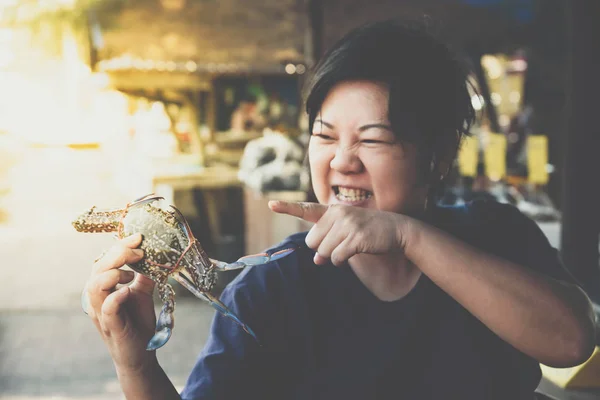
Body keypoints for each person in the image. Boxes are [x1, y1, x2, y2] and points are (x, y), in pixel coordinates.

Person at [83, 20, 596, 399]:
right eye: (324, 137)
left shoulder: (494, 232)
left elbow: (572, 343)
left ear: (436, 157)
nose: (342, 161)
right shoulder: (273, 288)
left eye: (373, 140)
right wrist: (135, 363)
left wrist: (407, 237)